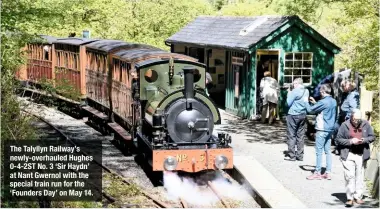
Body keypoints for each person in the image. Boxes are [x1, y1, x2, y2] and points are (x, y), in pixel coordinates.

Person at [335, 109, 375, 206]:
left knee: (359, 176)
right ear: (351, 117)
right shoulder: (345, 125)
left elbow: (372, 137)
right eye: (354, 119)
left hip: (361, 154)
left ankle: (358, 196)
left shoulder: (365, 124)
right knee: (349, 176)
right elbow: (338, 139)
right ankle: (350, 198)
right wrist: (350, 141)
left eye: (358, 120)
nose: (356, 121)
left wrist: (364, 140)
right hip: (348, 154)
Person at [305, 84, 337, 180]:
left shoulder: (323, 102)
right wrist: (315, 103)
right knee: (327, 151)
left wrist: (306, 102)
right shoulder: (333, 101)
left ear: (323, 91)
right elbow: (322, 108)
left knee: (319, 152)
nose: (319, 92)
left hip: (322, 129)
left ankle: (317, 172)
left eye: (320, 91)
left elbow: (310, 110)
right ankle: (328, 172)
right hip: (330, 129)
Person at [285, 78, 309, 161]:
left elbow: (288, 103)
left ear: (297, 83)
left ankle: (292, 155)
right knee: (301, 135)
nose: (293, 85)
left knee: (292, 135)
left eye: (294, 83)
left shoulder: (294, 91)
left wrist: (289, 93)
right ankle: (300, 155)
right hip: (302, 115)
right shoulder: (306, 91)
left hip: (293, 114)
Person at [332, 80, 360, 154]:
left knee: (343, 133)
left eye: (344, 86)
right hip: (341, 115)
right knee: (335, 129)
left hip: (346, 116)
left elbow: (353, 108)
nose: (342, 88)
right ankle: (338, 146)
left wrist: (348, 118)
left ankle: (342, 149)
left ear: (349, 86)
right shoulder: (345, 94)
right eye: (342, 86)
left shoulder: (353, 95)